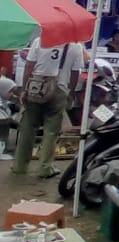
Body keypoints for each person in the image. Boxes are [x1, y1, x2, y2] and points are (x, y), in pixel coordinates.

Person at [12, 37, 86, 178]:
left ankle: (20, 166)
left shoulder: (39, 40)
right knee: (51, 132)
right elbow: (75, 73)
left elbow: (29, 66)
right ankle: (45, 168)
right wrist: (70, 93)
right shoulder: (76, 46)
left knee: (27, 128)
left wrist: (24, 90)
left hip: (36, 88)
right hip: (58, 90)